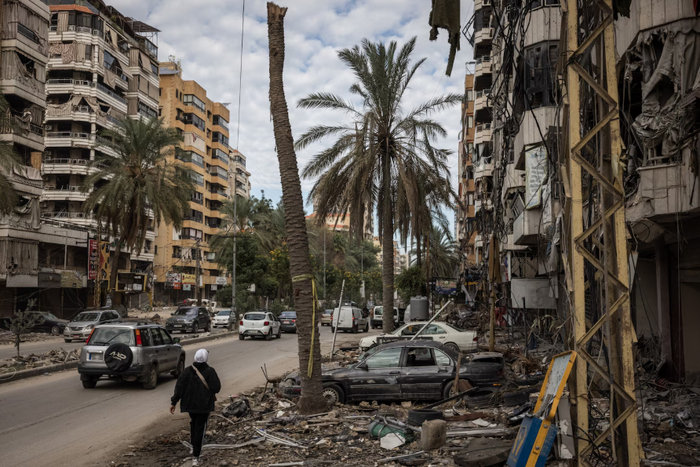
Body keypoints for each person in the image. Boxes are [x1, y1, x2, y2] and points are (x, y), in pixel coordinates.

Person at [170, 349, 221, 466]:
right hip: (204, 406)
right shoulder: (210, 371)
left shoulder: (187, 371)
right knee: (200, 428)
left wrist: (174, 402)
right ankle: (196, 456)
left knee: (193, 423)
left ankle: (193, 446)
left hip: (190, 406)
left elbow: (179, 389)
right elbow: (216, 388)